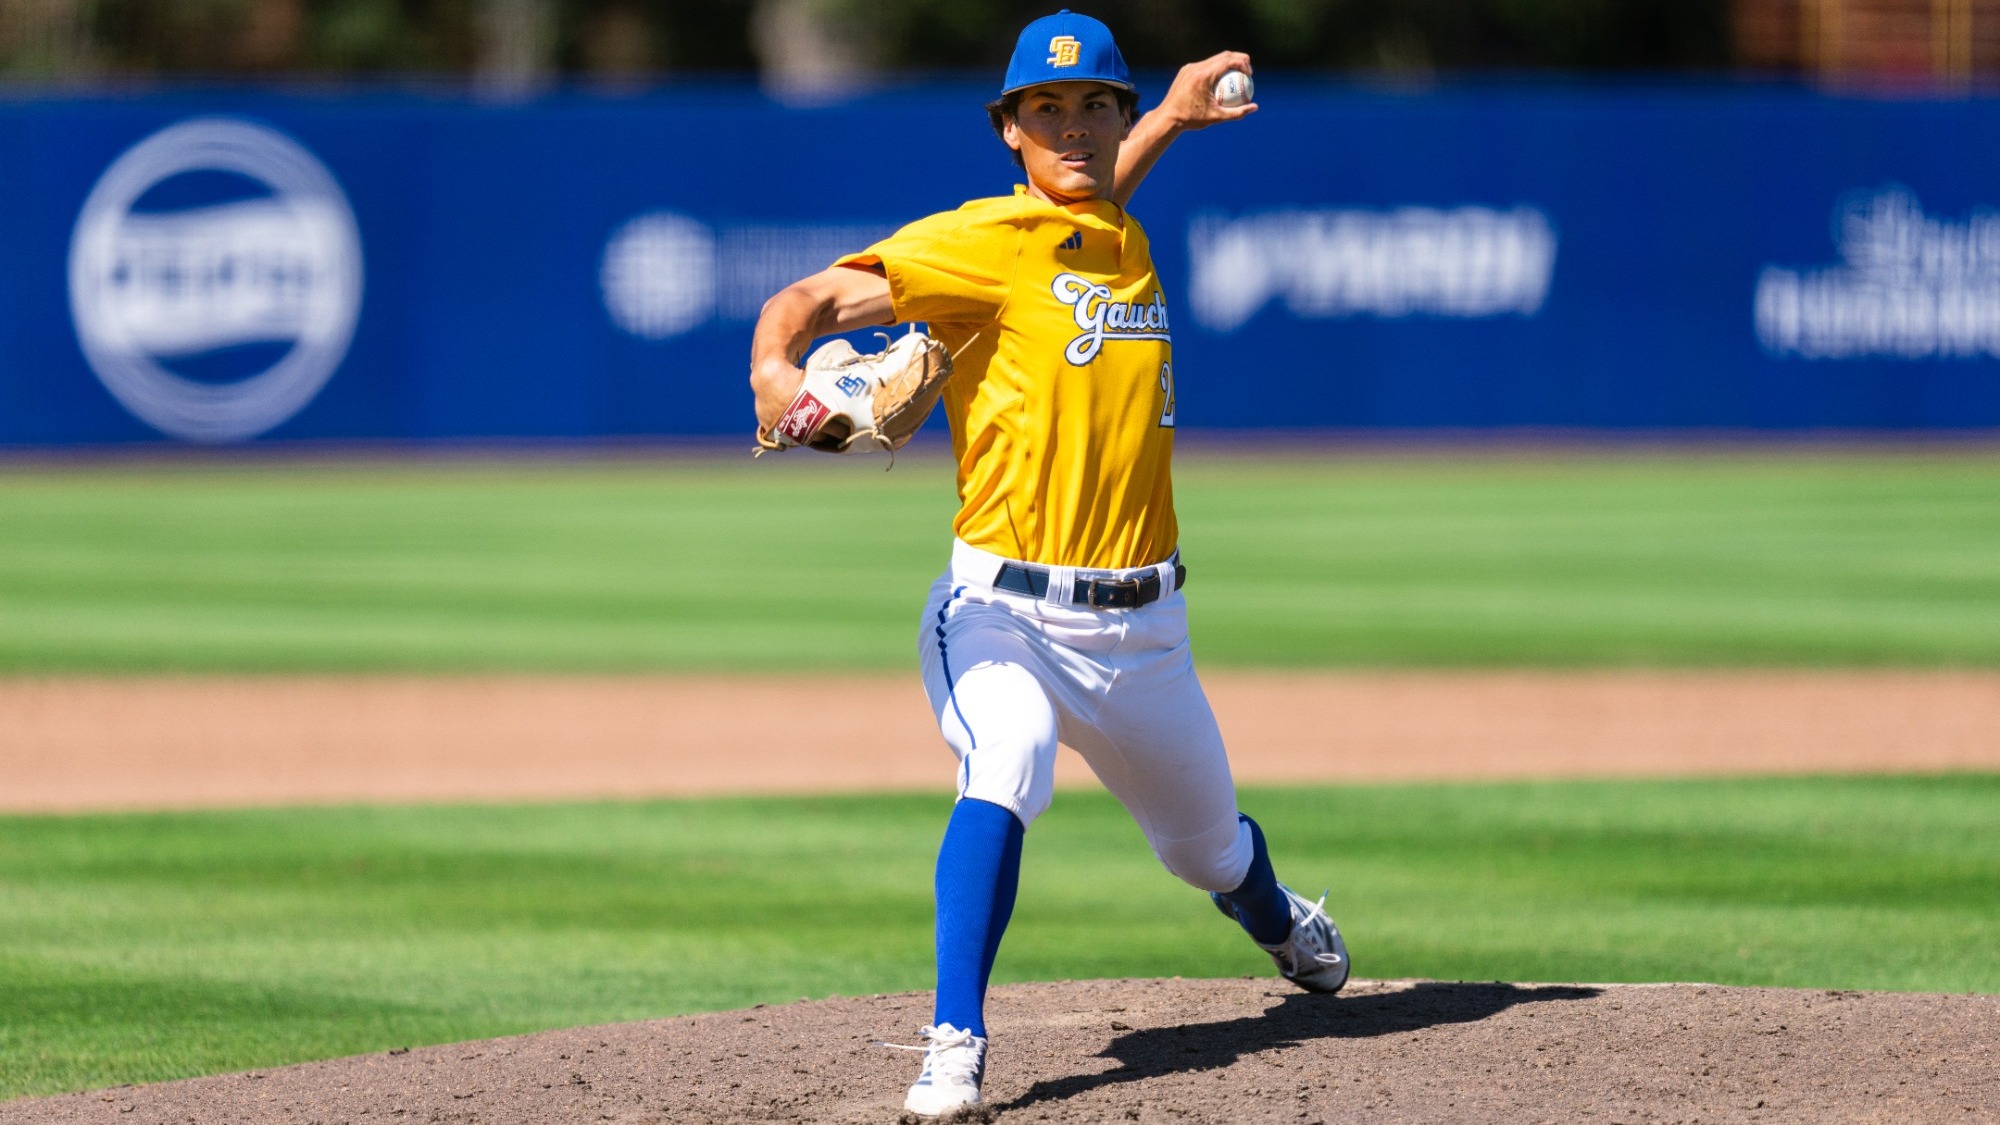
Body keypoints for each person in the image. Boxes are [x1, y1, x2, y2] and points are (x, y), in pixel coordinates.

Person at [747, 11, 1347, 1116]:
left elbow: (1098, 194)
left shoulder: (1114, 228)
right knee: (1009, 760)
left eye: (1092, 107)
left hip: (1143, 633)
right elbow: (814, 298)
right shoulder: (980, 241)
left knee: (1209, 855)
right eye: (1045, 111)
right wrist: (773, 368)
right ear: (1009, 133)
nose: (1069, 128)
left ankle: (1279, 922)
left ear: (1117, 121)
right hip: (999, 612)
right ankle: (955, 1041)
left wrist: (1169, 111)